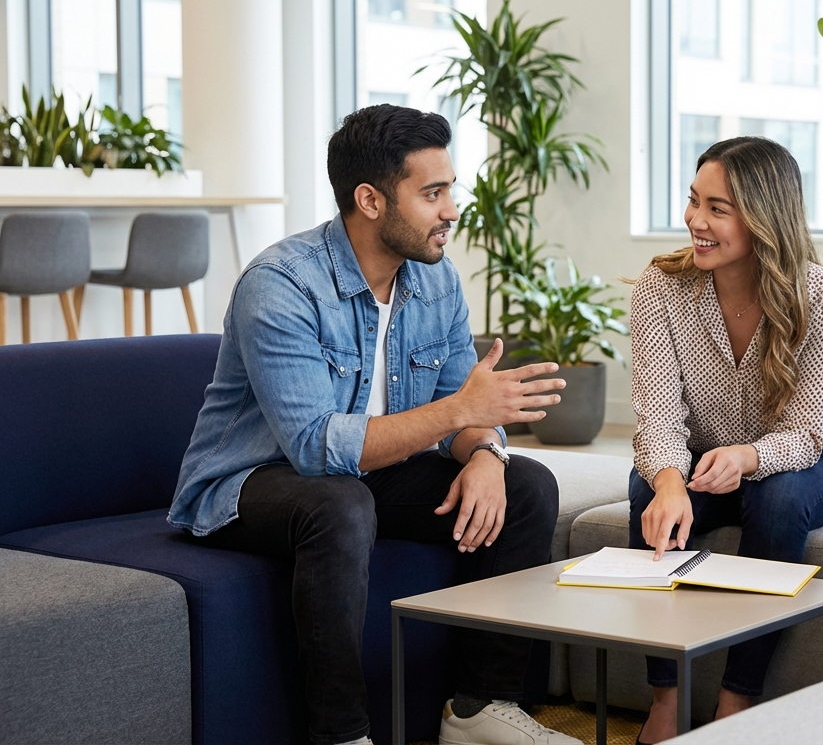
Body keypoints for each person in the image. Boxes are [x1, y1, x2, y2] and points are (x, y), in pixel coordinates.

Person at [169, 104, 580, 745]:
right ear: (370, 199)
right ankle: (340, 734)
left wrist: (485, 455)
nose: (451, 210)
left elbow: (459, 411)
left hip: (367, 475)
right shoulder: (281, 285)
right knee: (338, 502)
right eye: (432, 193)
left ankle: (476, 712)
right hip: (252, 484)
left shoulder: (434, 278)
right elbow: (314, 449)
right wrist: (460, 414)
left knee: (528, 486)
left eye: (450, 189)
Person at [629, 136, 823, 743]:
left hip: (792, 467)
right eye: (694, 201)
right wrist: (670, 484)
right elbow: (657, 414)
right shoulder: (660, 287)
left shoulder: (821, 297)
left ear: (762, 218)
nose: (695, 221)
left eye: (717, 209)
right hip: (698, 464)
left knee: (777, 499)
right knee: (646, 490)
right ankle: (665, 702)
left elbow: (807, 433)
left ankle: (735, 704)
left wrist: (750, 456)